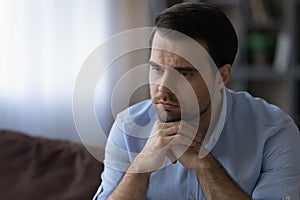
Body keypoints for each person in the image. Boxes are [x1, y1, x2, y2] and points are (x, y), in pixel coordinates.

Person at [93, 2, 300, 200]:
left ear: (222, 76)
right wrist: (140, 168)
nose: (163, 87)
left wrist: (205, 165)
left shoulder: (274, 133)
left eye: (184, 73)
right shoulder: (127, 128)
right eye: (157, 68)